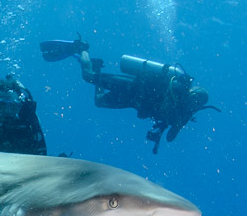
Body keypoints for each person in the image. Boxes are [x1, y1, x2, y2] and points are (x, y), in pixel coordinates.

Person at [41, 37, 218, 153]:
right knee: (88, 78)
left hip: (133, 101)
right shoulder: (178, 87)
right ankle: (81, 48)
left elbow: (170, 138)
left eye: (198, 102)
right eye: (196, 97)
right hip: (134, 86)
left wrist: (180, 123)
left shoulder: (184, 114)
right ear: (192, 91)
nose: (194, 101)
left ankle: (95, 65)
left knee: (100, 102)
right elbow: (163, 101)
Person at [0, 75, 47, 155]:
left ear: (20, 105)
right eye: (2, 105)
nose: (8, 111)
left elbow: (41, 150)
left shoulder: (28, 117)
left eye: (13, 106)